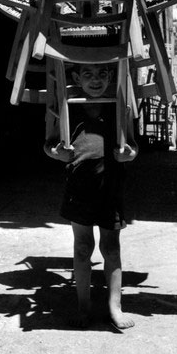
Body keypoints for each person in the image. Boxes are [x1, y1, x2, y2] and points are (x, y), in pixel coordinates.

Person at [44, 63, 138, 330]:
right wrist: (56, 153)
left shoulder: (119, 108)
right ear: (76, 77)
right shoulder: (67, 107)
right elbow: (49, 145)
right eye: (87, 74)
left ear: (110, 77)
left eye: (101, 74)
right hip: (79, 189)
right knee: (83, 248)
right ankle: (83, 307)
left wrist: (128, 154)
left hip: (111, 186)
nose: (95, 80)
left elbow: (133, 146)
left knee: (111, 249)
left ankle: (114, 307)